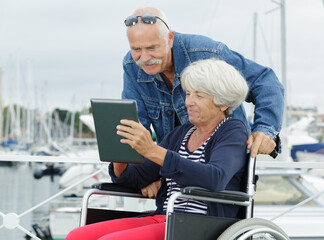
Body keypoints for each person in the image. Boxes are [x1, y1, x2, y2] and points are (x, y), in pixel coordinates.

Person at [66, 58, 249, 240]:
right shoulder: (181, 133)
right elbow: (139, 177)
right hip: (165, 218)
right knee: (77, 236)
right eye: (188, 94)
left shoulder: (232, 131)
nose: (188, 102)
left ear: (223, 103)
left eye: (199, 96)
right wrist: (119, 156)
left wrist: (152, 150)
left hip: (202, 225)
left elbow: (214, 178)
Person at [122, 7, 284, 198]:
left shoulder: (206, 52)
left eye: (152, 48)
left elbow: (265, 80)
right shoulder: (132, 66)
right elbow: (134, 127)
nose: (145, 58)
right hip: (173, 176)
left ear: (170, 38)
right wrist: (147, 174)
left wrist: (265, 130)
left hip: (222, 178)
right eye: (136, 50)